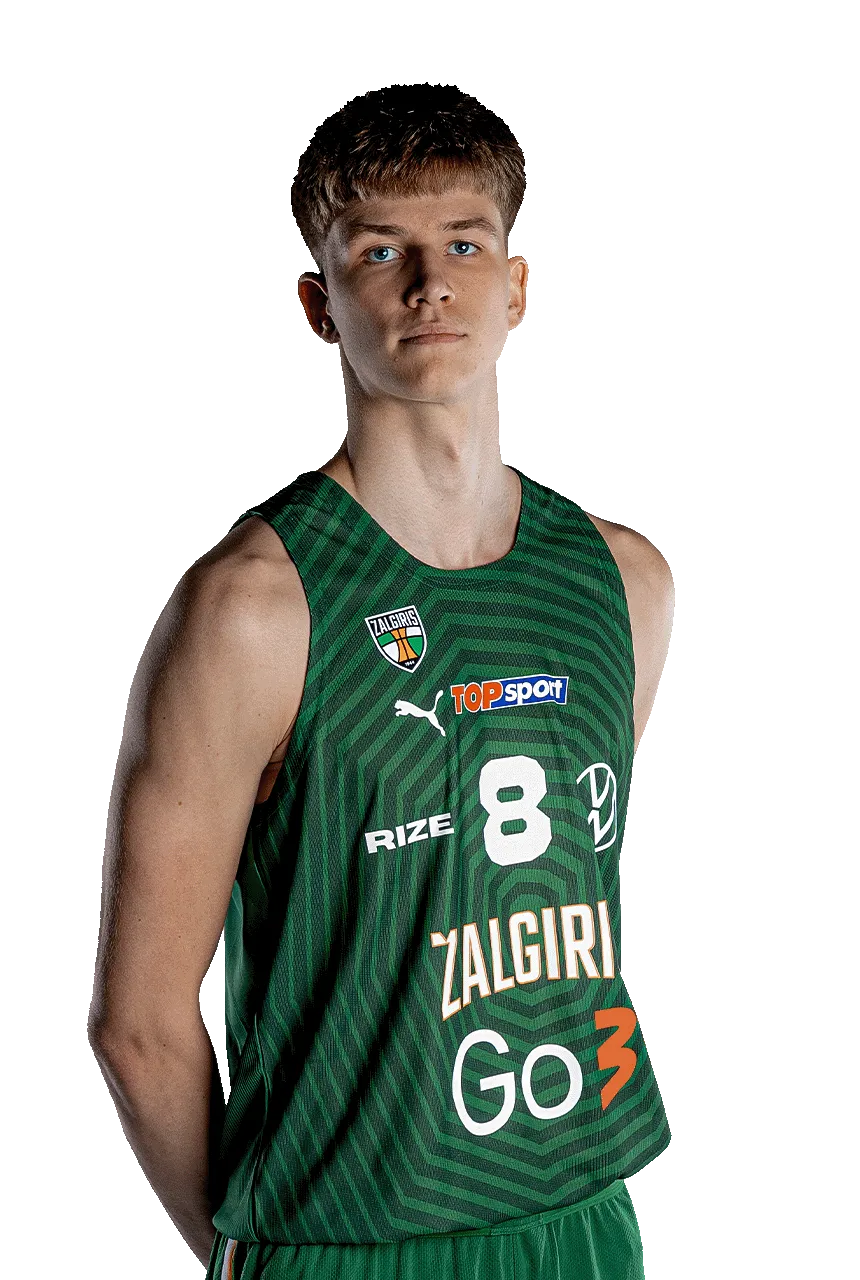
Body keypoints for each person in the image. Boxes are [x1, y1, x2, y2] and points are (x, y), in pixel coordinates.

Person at [89, 80, 675, 1280]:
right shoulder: (255, 607)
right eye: (378, 251)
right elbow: (139, 1027)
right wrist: (260, 1253)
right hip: (346, 1244)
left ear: (517, 286)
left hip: (581, 1214)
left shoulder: (622, 583)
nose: (428, 285)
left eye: (464, 243)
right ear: (317, 302)